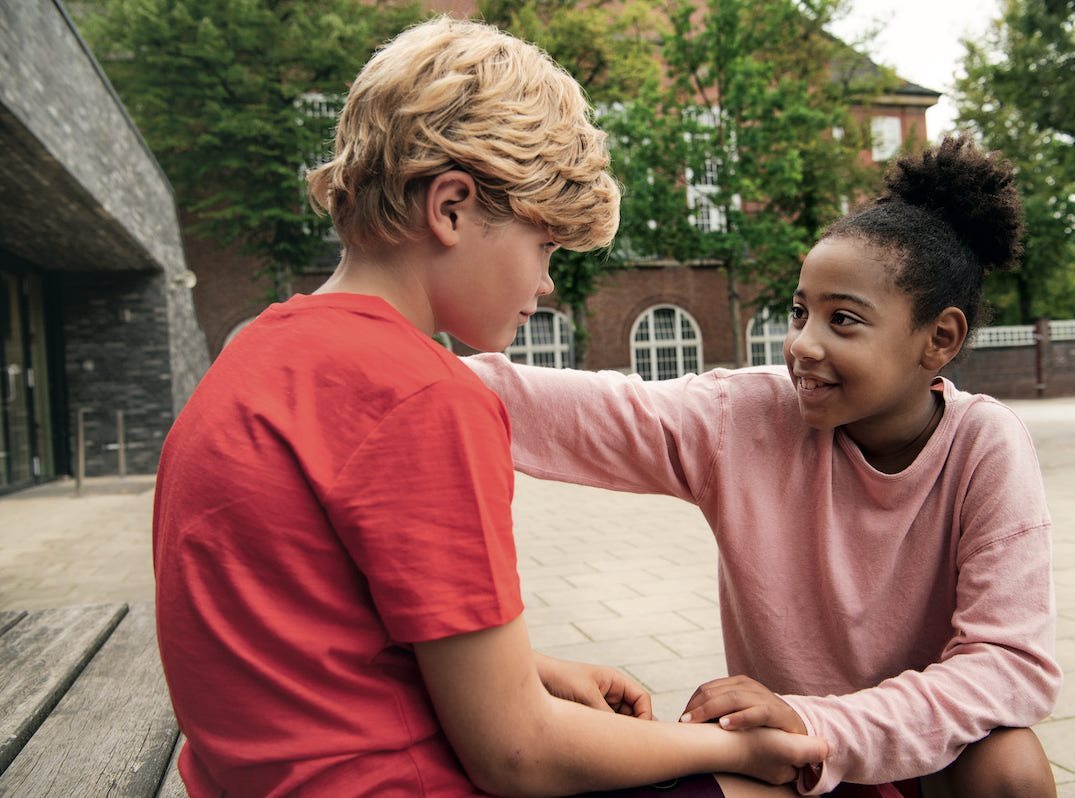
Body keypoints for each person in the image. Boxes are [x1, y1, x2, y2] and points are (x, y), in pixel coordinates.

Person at [152, 15, 828, 798]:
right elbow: (517, 757)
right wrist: (731, 754)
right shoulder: (422, 395)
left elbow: (317, 627)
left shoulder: (257, 357)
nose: (545, 287)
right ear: (451, 207)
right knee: (761, 789)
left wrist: (529, 670)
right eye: (543, 247)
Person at [465, 136, 1062, 797]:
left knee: (1011, 763)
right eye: (800, 312)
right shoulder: (743, 417)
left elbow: (1009, 667)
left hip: (902, 755)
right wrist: (371, 352)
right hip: (785, 765)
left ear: (939, 339)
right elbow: (565, 407)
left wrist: (820, 721)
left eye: (843, 321)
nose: (802, 344)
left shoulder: (985, 446)